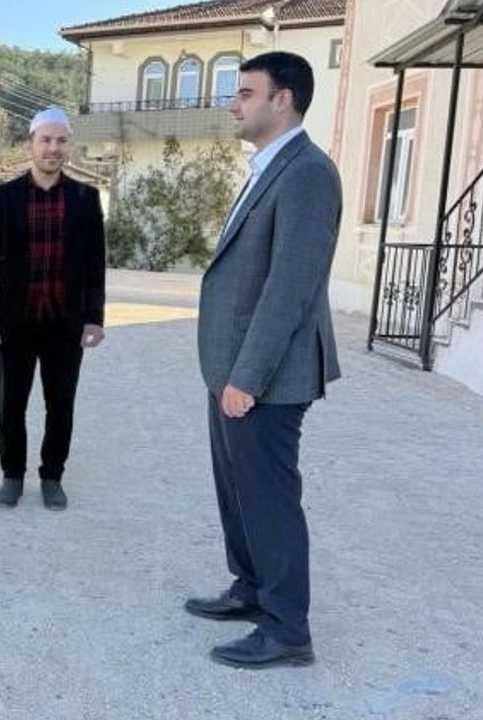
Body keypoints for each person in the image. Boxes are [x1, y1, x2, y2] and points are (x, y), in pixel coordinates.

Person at [186, 51, 342, 669]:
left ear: (283, 100)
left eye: (245, 93)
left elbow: (290, 286)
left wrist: (246, 378)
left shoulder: (307, 173)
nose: (234, 103)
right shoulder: (268, 166)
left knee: (270, 496)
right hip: (232, 365)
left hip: (266, 375)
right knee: (238, 491)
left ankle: (286, 628)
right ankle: (251, 588)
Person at [0, 107, 106, 511]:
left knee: (60, 403)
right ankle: (12, 475)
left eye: (61, 140)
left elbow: (94, 264)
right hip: (16, 321)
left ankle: (52, 476)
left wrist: (94, 317)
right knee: (11, 403)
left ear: (69, 146)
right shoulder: (4, 197)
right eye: (46, 140)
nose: (53, 148)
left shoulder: (86, 199)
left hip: (64, 324)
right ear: (31, 143)